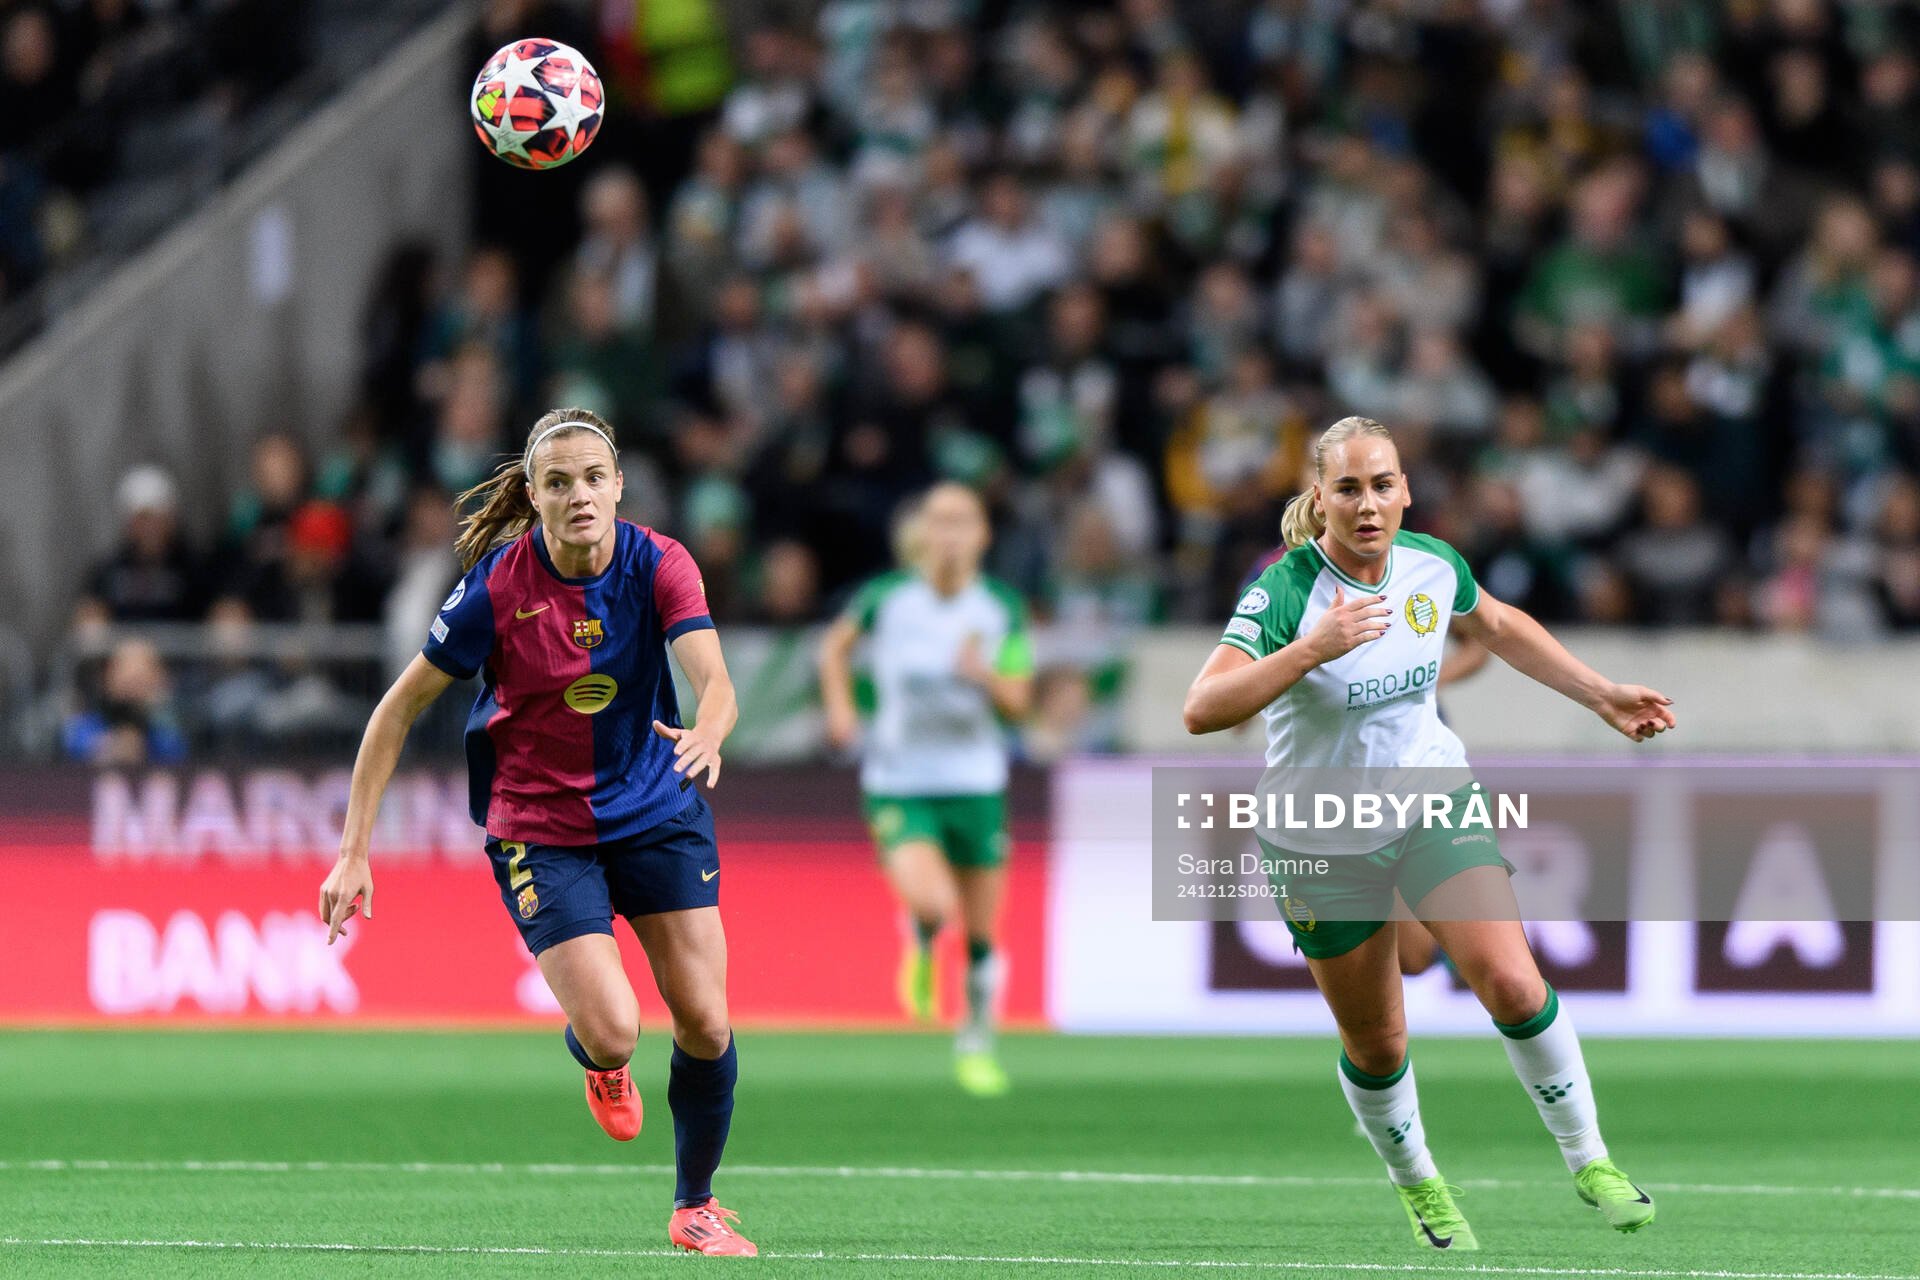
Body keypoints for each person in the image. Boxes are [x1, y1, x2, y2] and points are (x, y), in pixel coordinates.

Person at [1182, 416, 1673, 1250]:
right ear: (1320, 498)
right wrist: (1309, 650)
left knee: (1513, 985)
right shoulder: (1287, 590)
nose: (1368, 504)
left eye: (1382, 485)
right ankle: (1420, 1185)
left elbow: (1498, 626)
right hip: (1319, 831)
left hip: (1429, 796)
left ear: (1405, 490)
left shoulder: (1432, 565)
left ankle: (1590, 1158)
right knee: (1377, 1041)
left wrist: (1599, 694)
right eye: (1348, 488)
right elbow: (1201, 709)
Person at [316, 408, 755, 1257]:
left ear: (619, 486)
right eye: (558, 482)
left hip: (657, 810)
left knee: (705, 1021)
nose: (579, 494)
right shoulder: (495, 590)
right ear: (533, 494)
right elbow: (396, 710)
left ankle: (694, 1207)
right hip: (541, 833)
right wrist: (352, 851)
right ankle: (598, 1058)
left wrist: (710, 729)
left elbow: (715, 679)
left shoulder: (660, 563)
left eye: (594, 477)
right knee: (617, 1029)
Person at [817, 482, 1035, 1097]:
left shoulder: (1000, 608)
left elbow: (1020, 702)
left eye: (962, 521)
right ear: (921, 533)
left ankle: (976, 1044)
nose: (949, 534)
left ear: (983, 535)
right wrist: (840, 710)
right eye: (938, 521)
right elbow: (833, 648)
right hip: (900, 781)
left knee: (984, 934)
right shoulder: (888, 599)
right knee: (936, 903)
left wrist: (983, 675)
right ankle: (919, 932)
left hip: (976, 784)